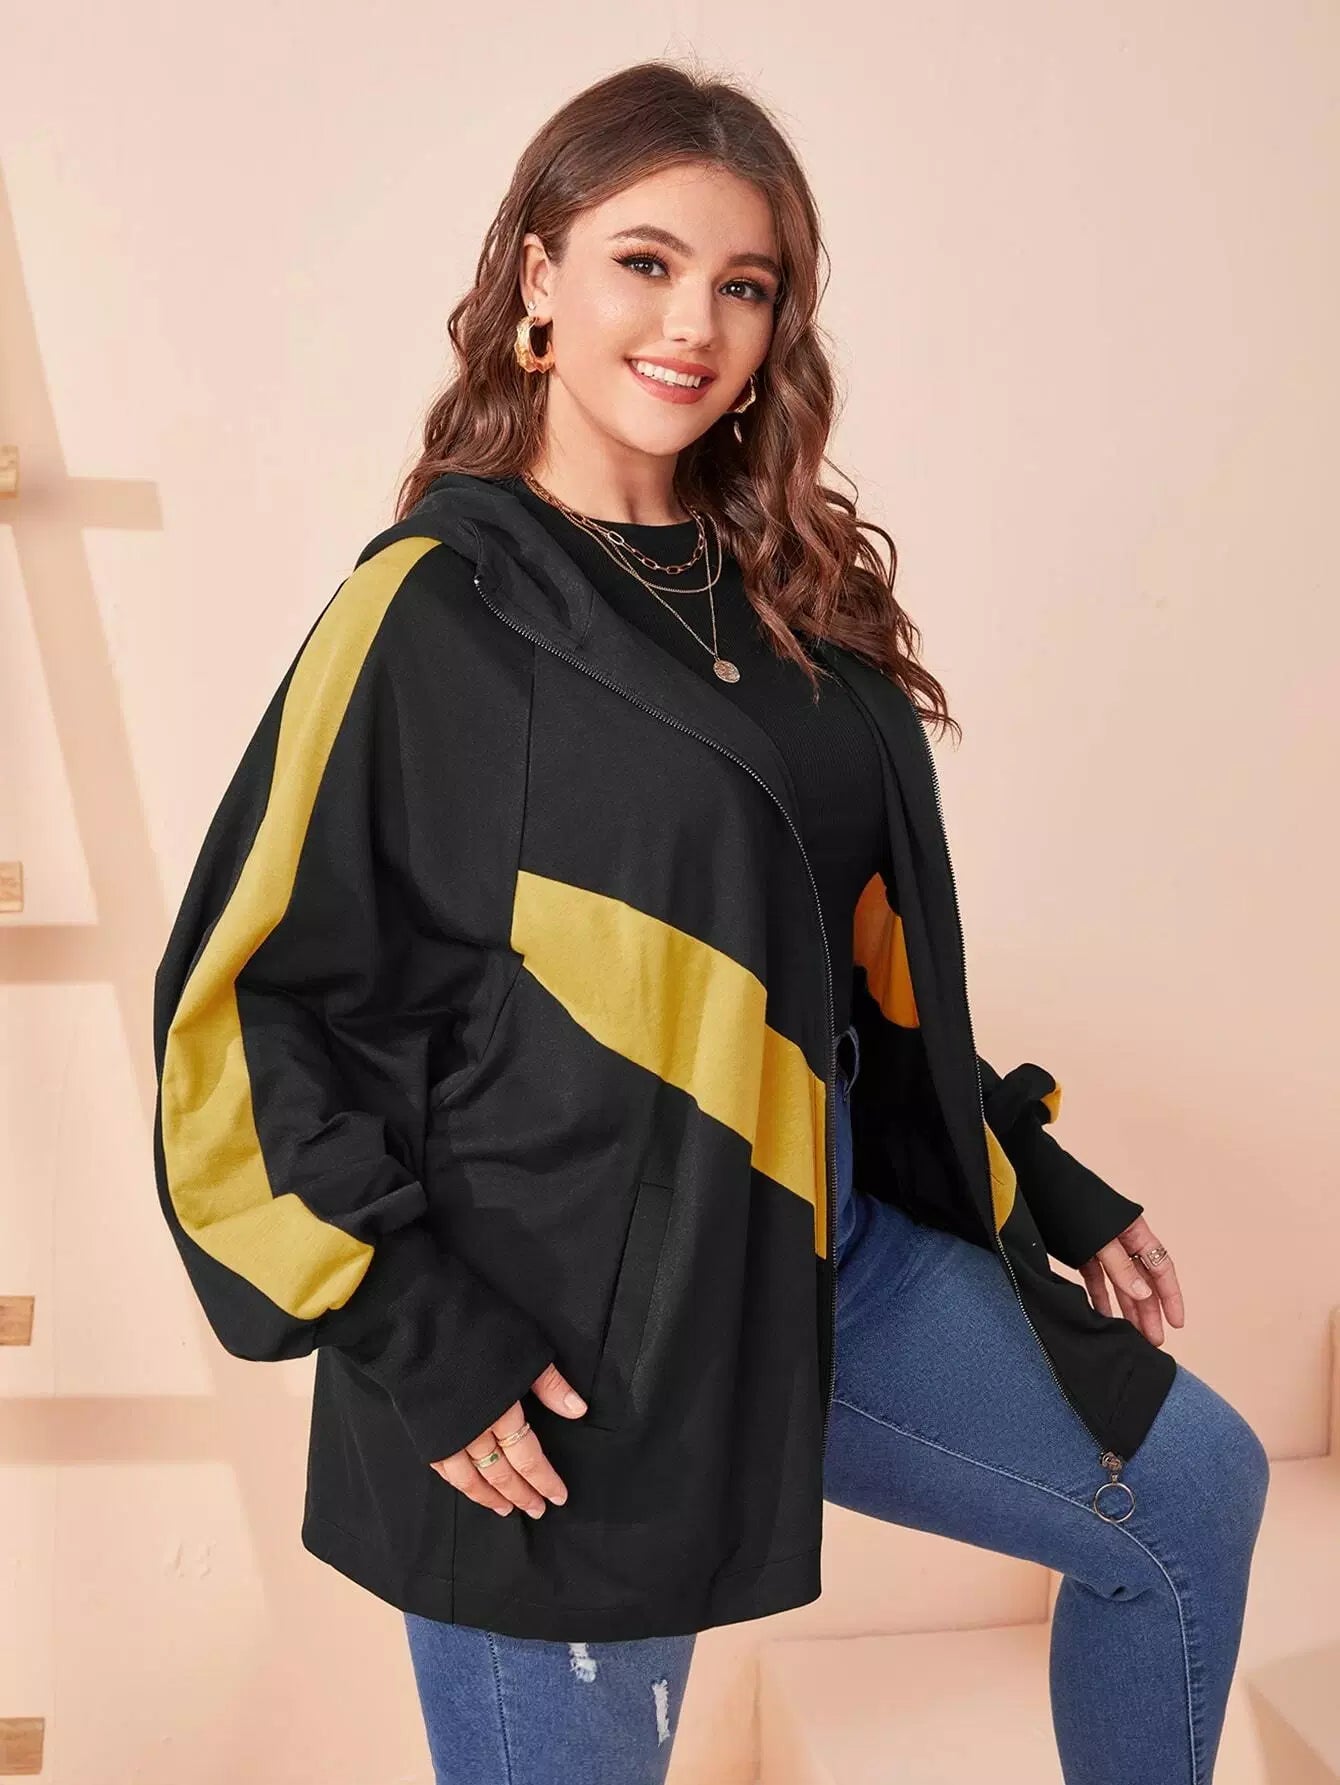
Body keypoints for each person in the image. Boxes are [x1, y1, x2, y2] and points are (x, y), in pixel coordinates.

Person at [150, 57, 1270, 1785]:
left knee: (1187, 1494)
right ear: (539, 276)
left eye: (743, 285)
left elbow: (824, 968)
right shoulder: (434, 614)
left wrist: (1026, 1166)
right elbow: (248, 1017)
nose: (695, 325)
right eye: (646, 263)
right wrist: (422, 1335)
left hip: (826, 1253)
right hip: (552, 1338)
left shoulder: (787, 596)